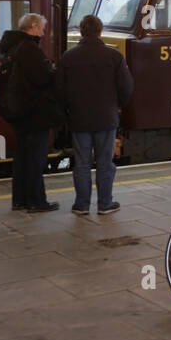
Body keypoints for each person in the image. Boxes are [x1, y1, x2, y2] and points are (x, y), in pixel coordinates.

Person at [57, 14, 134, 216]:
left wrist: (68, 111)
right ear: (100, 31)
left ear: (82, 31)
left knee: (81, 163)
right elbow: (126, 88)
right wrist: (117, 107)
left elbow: (60, 90)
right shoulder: (114, 57)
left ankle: (82, 205)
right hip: (106, 118)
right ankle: (105, 204)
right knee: (104, 163)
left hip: (79, 118)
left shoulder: (68, 57)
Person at [0, 13, 62, 213]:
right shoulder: (30, 49)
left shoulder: (13, 47)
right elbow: (42, 78)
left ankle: (19, 200)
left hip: (19, 112)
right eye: (42, 28)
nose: (43, 32)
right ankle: (36, 201)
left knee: (22, 157)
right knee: (35, 158)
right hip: (35, 113)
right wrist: (52, 71)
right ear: (33, 26)